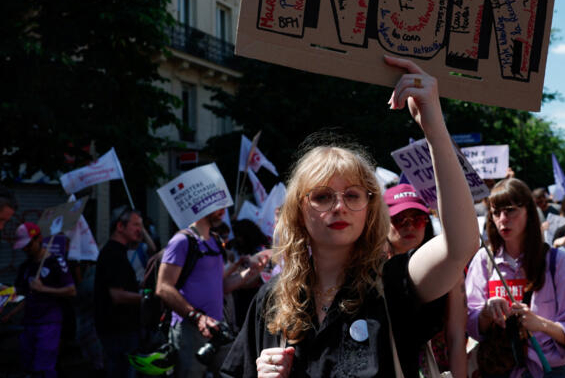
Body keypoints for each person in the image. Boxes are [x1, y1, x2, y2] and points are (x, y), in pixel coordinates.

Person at [220, 56, 480, 378]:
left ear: (370, 211)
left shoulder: (393, 285)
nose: (339, 206)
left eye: (353, 195)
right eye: (322, 196)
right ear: (299, 211)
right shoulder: (271, 299)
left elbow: (462, 245)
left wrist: (433, 126)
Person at [466, 178, 565, 377]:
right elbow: (469, 322)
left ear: (528, 212)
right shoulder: (484, 259)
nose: (503, 219)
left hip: (550, 370)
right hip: (499, 366)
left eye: (510, 210)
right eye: (496, 212)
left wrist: (540, 324)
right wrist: (486, 313)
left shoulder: (558, 262)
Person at [157, 207, 267, 378]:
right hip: (190, 330)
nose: (223, 211)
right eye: (217, 207)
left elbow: (221, 286)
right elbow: (163, 287)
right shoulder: (181, 241)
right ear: (202, 207)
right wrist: (197, 317)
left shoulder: (215, 241)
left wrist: (250, 272)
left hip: (218, 329)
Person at [384, 183, 467, 378]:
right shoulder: (368, 270)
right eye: (399, 219)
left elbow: (456, 337)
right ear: (382, 221)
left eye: (418, 219)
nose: (410, 226)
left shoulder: (450, 271)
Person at [13, 222, 76, 378]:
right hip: (28, 324)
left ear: (39, 239)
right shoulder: (26, 266)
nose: (25, 249)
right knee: (27, 366)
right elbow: (21, 293)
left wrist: (44, 289)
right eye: (23, 246)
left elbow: (71, 290)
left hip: (48, 324)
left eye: (28, 245)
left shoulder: (56, 262)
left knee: (44, 368)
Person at [95, 207, 145, 378]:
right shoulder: (112, 254)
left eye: (141, 226)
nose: (140, 230)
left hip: (122, 330)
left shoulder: (119, 253)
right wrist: (148, 298)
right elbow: (117, 295)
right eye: (135, 225)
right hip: (118, 331)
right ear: (120, 226)